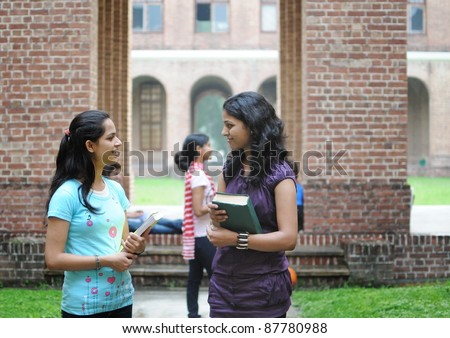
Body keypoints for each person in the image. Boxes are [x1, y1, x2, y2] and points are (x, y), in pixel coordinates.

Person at [44, 110, 148, 318]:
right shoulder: (66, 194)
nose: (118, 143)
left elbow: (123, 244)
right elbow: (53, 259)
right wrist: (106, 260)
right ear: (90, 146)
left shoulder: (116, 190)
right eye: (110, 137)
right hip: (84, 306)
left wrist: (138, 247)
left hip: (122, 299)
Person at [207, 91, 298, 318]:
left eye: (230, 125)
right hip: (223, 287)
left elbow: (289, 238)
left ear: (252, 126)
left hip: (263, 290)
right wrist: (215, 220)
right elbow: (220, 229)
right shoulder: (229, 169)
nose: (223, 132)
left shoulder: (280, 175)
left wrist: (237, 239)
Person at [174, 133, 217, 318]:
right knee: (217, 278)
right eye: (208, 144)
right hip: (203, 237)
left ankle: (193, 315)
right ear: (199, 149)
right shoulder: (198, 175)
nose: (211, 147)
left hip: (197, 236)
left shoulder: (195, 171)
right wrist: (218, 205)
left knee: (194, 279)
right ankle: (218, 313)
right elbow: (199, 210)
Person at [102, 163, 183, 235]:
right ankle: (182, 228)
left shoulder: (116, 190)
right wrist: (133, 215)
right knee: (154, 227)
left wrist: (134, 213)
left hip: (133, 218)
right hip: (127, 222)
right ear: (107, 177)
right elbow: (111, 215)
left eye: (119, 174)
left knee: (157, 219)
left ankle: (182, 224)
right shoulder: (105, 192)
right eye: (115, 174)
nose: (119, 177)